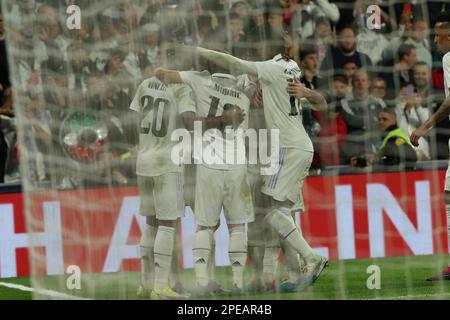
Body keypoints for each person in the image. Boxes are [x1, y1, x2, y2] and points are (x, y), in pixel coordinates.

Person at [193, 40, 329, 292]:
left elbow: (321, 101)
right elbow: (322, 102)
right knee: (268, 217)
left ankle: (299, 267)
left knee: (277, 213)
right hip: (260, 154)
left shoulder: (273, 73)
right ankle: (266, 276)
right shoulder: (272, 75)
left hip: (281, 150)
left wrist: (306, 92)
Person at [155, 60, 254, 296]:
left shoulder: (200, 84)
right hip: (237, 165)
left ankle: (201, 281)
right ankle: (238, 283)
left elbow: (162, 73)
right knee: (237, 226)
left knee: (204, 225)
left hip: (208, 163)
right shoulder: (243, 98)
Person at [410, 10, 450, 281]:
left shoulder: (449, 58)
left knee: (448, 198)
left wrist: (425, 126)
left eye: (439, 35)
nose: (435, 40)